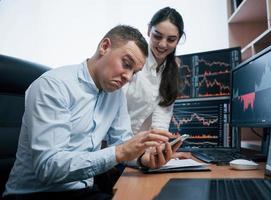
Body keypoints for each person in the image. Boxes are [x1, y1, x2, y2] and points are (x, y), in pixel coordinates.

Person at [3, 25, 181, 200]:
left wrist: (143, 159)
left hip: (83, 190)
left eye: (134, 72)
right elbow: (49, 167)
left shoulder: (115, 95)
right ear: (104, 47)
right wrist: (120, 152)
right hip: (33, 194)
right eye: (126, 64)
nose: (128, 77)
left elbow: (124, 145)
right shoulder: (53, 86)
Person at [123, 7, 188, 158]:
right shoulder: (133, 60)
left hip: (139, 151)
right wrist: (138, 153)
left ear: (178, 40)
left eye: (171, 39)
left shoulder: (171, 71)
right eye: (157, 36)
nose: (163, 44)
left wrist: (161, 151)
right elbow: (116, 114)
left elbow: (161, 120)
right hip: (118, 148)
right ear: (148, 31)